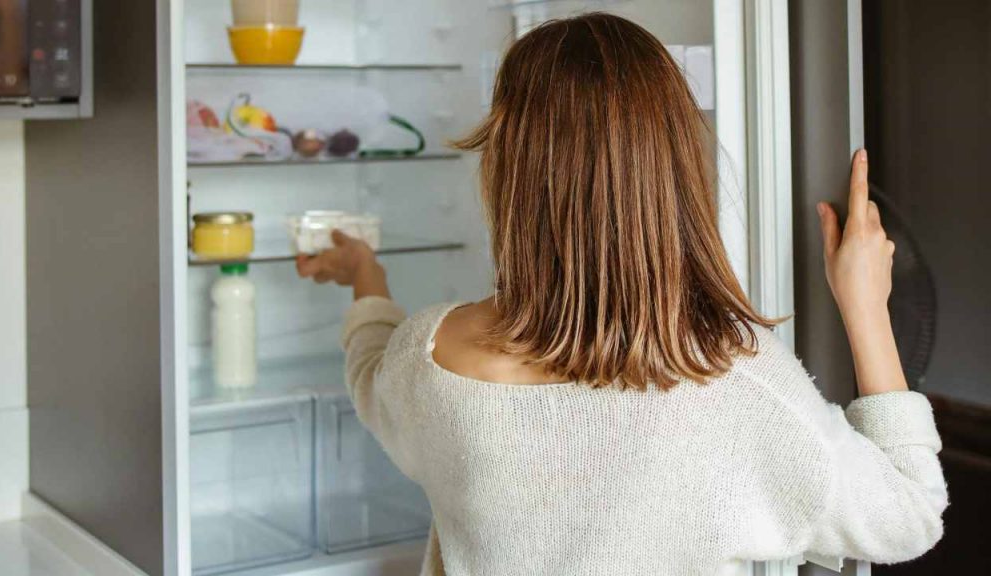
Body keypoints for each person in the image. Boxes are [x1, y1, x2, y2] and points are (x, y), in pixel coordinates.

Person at [295, 13, 946, 576]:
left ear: (509, 172)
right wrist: (867, 308)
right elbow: (909, 517)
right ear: (674, 169)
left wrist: (364, 277)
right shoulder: (737, 382)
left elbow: (371, 373)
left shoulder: (434, 357)